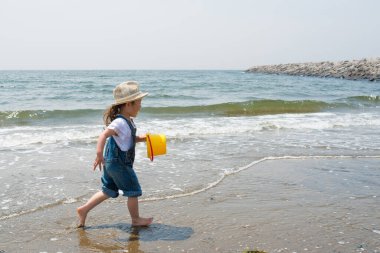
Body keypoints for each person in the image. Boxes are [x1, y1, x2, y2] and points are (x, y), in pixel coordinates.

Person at [77, 81, 153, 227]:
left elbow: (128, 139)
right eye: (139, 102)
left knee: (108, 190)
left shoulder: (128, 121)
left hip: (112, 163)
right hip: (119, 164)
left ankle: (84, 210)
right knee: (133, 190)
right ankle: (136, 219)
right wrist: (99, 153)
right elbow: (104, 135)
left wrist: (144, 138)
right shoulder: (120, 122)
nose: (141, 106)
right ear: (128, 104)